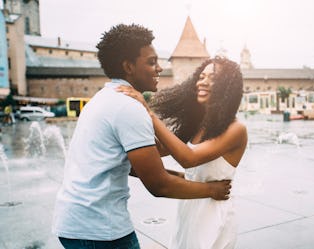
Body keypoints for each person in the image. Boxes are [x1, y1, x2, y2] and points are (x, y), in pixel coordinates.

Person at [52, 24, 231, 249]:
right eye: (151, 62)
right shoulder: (129, 107)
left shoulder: (104, 97)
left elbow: (132, 165)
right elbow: (159, 185)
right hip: (100, 230)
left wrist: (183, 177)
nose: (160, 68)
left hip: (76, 223)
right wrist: (212, 190)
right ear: (128, 66)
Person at [118, 56, 248, 249]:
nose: (203, 81)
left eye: (212, 78)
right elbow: (162, 148)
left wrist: (149, 112)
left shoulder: (236, 129)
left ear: (227, 87)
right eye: (201, 76)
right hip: (189, 208)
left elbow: (188, 158)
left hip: (213, 213)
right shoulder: (199, 123)